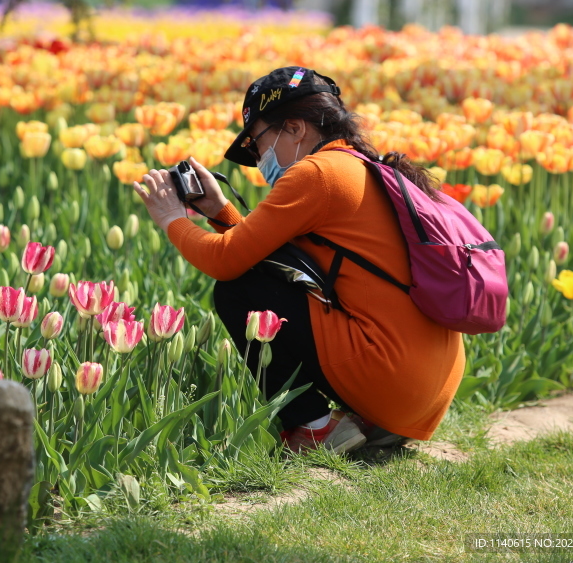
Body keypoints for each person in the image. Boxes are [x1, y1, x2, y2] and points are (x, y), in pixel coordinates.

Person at [134, 66, 464, 454]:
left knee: (239, 292)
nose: (259, 158)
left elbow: (225, 262)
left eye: (257, 143)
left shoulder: (317, 174)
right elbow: (281, 261)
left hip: (390, 380)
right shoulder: (359, 166)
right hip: (424, 389)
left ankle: (313, 428)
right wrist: (221, 212)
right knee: (264, 281)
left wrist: (171, 218)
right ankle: (371, 421)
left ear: (294, 129)